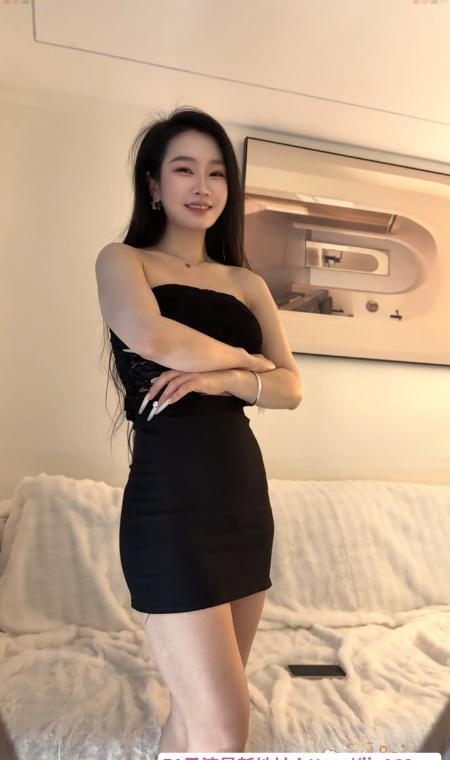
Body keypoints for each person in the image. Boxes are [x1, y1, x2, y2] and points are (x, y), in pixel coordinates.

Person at [95, 106, 303, 755]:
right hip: (169, 505)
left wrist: (228, 381)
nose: (203, 185)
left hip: (242, 501)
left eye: (216, 173)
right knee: (224, 730)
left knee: (197, 723)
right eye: (184, 169)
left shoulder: (247, 282)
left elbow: (292, 388)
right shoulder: (123, 260)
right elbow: (153, 337)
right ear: (154, 184)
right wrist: (247, 361)